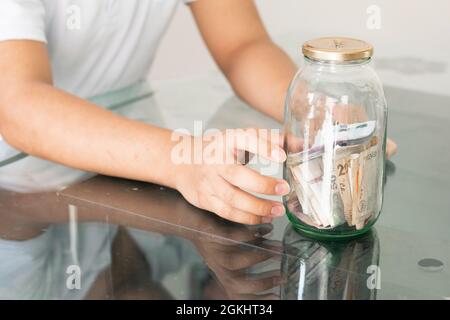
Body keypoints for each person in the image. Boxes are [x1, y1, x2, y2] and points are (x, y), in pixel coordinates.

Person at [0, 0, 397, 225]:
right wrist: (184, 159)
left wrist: (316, 112)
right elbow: (17, 101)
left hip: (115, 165)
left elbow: (242, 44)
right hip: (15, 184)